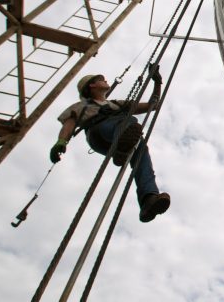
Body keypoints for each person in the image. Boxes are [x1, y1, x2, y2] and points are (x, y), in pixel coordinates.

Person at [50, 69, 171, 223]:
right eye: (101, 79)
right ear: (92, 85)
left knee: (141, 151)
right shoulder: (80, 107)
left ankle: (148, 199)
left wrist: (157, 83)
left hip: (120, 134)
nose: (105, 80)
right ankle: (121, 146)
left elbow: (152, 106)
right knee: (128, 122)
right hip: (99, 133)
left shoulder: (115, 104)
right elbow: (69, 125)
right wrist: (61, 142)